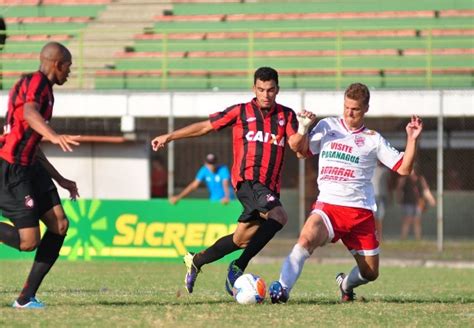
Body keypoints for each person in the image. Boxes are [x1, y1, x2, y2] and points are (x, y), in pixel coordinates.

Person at [151, 66, 315, 295]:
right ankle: (239, 266)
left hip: (269, 189)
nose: (265, 95)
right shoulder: (240, 112)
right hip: (247, 182)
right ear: (254, 89)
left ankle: (196, 260)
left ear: (277, 90)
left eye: (270, 90)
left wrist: (305, 127)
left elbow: (297, 149)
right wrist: (170, 136)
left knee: (240, 239)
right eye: (261, 89)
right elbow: (205, 127)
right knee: (280, 215)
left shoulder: (286, 115)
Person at [269, 82, 423, 304]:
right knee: (306, 238)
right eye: (346, 107)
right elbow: (301, 151)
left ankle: (345, 285)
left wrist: (412, 140)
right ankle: (282, 289)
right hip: (328, 207)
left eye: (356, 109)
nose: (349, 112)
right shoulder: (327, 126)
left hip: (360, 213)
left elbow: (404, 168)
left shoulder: (373, 139)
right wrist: (303, 128)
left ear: (366, 109)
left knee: (370, 273)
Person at [0, 42, 81, 308]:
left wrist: (60, 179)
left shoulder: (45, 90)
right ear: (57, 64)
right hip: (11, 168)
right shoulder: (36, 83)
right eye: (68, 67)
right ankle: (25, 299)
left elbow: (31, 141)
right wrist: (54, 135)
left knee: (59, 224)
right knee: (28, 242)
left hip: (30, 166)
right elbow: (28, 112)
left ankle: (25, 298)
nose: (69, 72)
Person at [169, 153, 234, 204]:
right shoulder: (204, 170)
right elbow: (193, 186)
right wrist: (179, 197)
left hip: (227, 201)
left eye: (213, 163)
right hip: (214, 200)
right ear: (205, 164)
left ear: (216, 163)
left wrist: (227, 197)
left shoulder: (223, 169)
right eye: (209, 163)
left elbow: (225, 184)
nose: (211, 166)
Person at [397, 166, 436, 240]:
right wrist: (399, 198)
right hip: (407, 202)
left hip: (418, 203)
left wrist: (431, 200)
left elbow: (426, 190)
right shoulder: (405, 179)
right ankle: (403, 238)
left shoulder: (420, 179)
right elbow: (399, 189)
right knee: (408, 219)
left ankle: (418, 238)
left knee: (417, 220)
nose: (412, 171)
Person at [371, 161, 391, 242]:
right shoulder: (371, 169)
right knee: (374, 218)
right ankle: (375, 236)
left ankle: (379, 237)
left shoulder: (385, 171)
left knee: (379, 217)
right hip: (373, 196)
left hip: (382, 196)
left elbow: (388, 184)